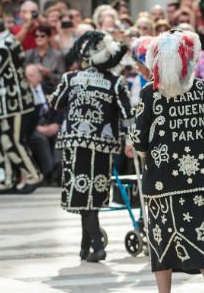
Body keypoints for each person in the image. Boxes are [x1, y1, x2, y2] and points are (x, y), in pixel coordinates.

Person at [130, 29, 204, 293]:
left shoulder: (150, 93)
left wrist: (139, 149)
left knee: (162, 240)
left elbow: (139, 137)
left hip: (163, 181)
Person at [48, 31, 132, 263]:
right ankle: (85, 247)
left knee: (82, 195)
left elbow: (55, 102)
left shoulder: (70, 78)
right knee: (93, 196)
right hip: (104, 147)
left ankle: (96, 245)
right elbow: (127, 114)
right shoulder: (116, 83)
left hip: (75, 143)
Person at [0, 15, 41, 194]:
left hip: (12, 103)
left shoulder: (3, 46)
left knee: (11, 140)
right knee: (1, 140)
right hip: (7, 103)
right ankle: (6, 180)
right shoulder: (8, 42)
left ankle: (33, 175)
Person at [25, 25, 66, 90]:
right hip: (32, 90)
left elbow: (62, 79)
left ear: (48, 38)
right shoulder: (29, 54)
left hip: (51, 91)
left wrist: (48, 74)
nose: (39, 38)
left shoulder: (57, 55)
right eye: (36, 36)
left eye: (42, 36)